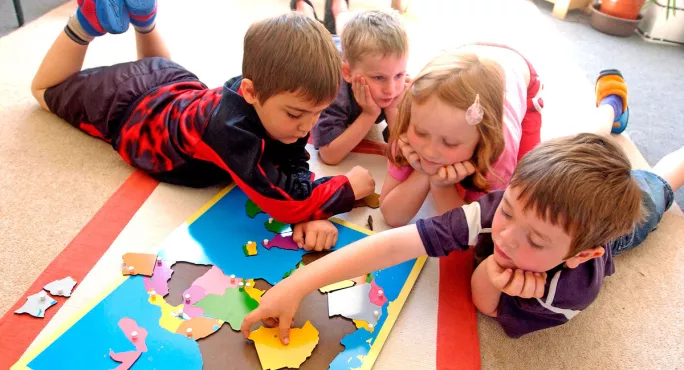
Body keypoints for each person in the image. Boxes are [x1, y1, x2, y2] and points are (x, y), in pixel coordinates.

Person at [240, 132, 682, 341]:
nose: (507, 237)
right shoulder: (497, 212)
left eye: (535, 242)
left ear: (578, 253)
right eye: (508, 209)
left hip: (620, 230)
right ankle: (608, 114)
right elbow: (395, 243)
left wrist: (492, 270)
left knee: (657, 185)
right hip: (567, 203)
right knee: (591, 143)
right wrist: (297, 283)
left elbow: (485, 304)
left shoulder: (569, 291)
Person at [30, 0, 376, 226]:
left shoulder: (275, 99)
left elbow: (292, 158)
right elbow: (284, 204)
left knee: (157, 65)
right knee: (44, 91)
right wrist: (346, 188)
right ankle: (86, 21)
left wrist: (306, 192)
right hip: (129, 109)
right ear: (251, 92)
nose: (306, 128)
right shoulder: (233, 132)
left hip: (172, 80)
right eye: (297, 115)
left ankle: (144, 20)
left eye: (317, 114)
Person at [293, 1, 410, 165]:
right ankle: (303, 6)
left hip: (347, 51)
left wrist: (392, 109)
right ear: (347, 73)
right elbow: (329, 156)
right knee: (308, 31)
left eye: (399, 75)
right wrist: (370, 114)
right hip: (321, 52)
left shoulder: (397, 81)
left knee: (345, 31)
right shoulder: (333, 91)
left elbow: (404, 154)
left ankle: (339, 7)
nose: (391, 90)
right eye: (378, 78)